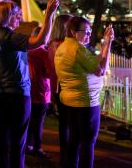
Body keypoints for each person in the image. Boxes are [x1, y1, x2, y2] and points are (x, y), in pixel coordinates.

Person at [0, 0, 58, 168]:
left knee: (3, 138)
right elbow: (41, 41)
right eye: (16, 14)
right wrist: (48, 14)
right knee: (19, 140)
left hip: (0, 94)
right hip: (18, 95)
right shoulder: (12, 38)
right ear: (6, 16)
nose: (20, 17)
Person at [55, 16, 114, 168]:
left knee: (74, 141)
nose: (89, 35)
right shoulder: (78, 49)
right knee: (87, 144)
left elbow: (94, 62)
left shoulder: (62, 47)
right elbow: (101, 70)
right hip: (86, 103)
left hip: (69, 101)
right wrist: (108, 43)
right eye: (85, 32)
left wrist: (105, 45)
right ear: (74, 32)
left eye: (89, 31)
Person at [47, 14, 73, 166]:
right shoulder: (62, 45)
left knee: (64, 122)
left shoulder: (51, 44)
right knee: (69, 122)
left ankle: (65, 153)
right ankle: (68, 154)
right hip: (64, 85)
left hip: (56, 85)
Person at [26, 27, 51, 158]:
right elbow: (48, 73)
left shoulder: (27, 50)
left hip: (28, 90)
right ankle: (38, 147)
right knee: (39, 121)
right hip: (42, 91)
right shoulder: (44, 53)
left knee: (29, 119)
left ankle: (28, 144)